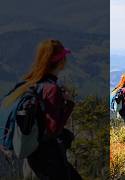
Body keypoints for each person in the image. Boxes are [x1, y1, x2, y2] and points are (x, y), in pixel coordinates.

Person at [1, 39, 82, 180]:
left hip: (33, 156)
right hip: (48, 157)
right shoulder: (51, 89)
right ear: (60, 61)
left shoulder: (29, 83)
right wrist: (68, 104)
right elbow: (53, 129)